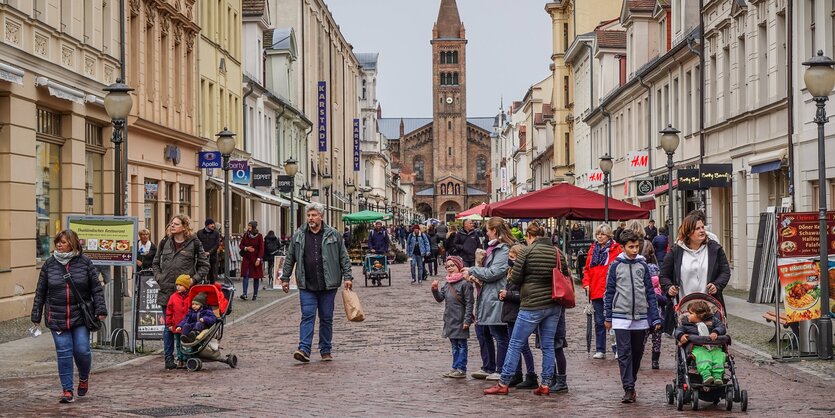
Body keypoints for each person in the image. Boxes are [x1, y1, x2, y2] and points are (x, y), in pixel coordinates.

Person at [483, 222, 563, 396]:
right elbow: (565, 274)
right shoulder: (557, 252)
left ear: (528, 236)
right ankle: (546, 383)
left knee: (515, 343)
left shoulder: (526, 251)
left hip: (532, 304)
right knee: (548, 345)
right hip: (553, 304)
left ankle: (503, 382)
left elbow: (516, 278)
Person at [30, 229, 107, 404]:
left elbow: (96, 288)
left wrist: (100, 310)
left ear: (72, 243)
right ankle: (67, 390)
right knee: (64, 353)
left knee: (82, 350)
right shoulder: (49, 264)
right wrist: (36, 315)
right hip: (56, 316)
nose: (59, 244)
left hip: (80, 316)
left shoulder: (85, 263)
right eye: (57, 241)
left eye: (63, 242)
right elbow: (40, 292)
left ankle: (84, 377)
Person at [280, 203, 353, 363]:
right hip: (307, 284)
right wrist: (285, 278)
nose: (311, 218)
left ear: (321, 216)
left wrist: (348, 277)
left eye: (314, 215)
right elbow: (290, 258)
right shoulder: (299, 235)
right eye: (309, 215)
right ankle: (304, 349)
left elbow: (344, 258)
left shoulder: (333, 235)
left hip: (328, 284)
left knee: (326, 318)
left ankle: (325, 350)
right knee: (307, 316)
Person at [603, 230, 662, 404]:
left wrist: (655, 317)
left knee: (637, 353)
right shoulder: (615, 266)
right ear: (622, 247)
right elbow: (609, 292)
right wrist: (608, 317)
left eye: (637, 246)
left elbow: (650, 292)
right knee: (624, 353)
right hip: (620, 315)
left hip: (641, 317)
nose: (635, 250)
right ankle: (628, 388)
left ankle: (631, 381)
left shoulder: (642, 266)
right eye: (631, 247)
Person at [153, 214, 210, 370]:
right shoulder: (165, 242)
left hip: (186, 295)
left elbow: (205, 266)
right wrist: (159, 277)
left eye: (176, 224)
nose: (172, 226)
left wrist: (193, 280)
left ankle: (185, 357)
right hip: (166, 292)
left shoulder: (194, 243)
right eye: (171, 223)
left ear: (184, 227)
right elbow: (155, 263)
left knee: (186, 325)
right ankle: (168, 359)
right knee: (168, 327)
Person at [463, 217, 513, 381]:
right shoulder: (494, 249)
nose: (486, 233)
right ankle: (492, 367)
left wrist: (473, 270)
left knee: (500, 335)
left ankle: (502, 369)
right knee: (490, 331)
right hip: (489, 295)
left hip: (497, 296)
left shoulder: (503, 250)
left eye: (488, 230)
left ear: (495, 231)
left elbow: (494, 273)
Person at [660, 213, 731, 310]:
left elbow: (725, 271)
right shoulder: (676, 251)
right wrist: (669, 288)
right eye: (697, 228)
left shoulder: (714, 249)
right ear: (688, 232)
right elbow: (664, 276)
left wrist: (717, 285)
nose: (702, 231)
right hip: (684, 307)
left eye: (702, 227)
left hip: (710, 307)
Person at [498, 244, 538, 390]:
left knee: (523, 346)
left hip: (518, 312)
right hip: (509, 311)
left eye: (512, 257)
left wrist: (508, 294)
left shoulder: (522, 273)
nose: (509, 259)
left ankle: (531, 375)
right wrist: (503, 294)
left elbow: (523, 295)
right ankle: (517, 373)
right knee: (513, 345)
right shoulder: (511, 271)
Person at [582, 224, 622, 359]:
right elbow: (587, 269)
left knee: (614, 320)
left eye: (602, 234)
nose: (599, 236)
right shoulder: (593, 250)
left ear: (609, 236)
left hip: (611, 290)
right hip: (596, 290)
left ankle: (617, 348)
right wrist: (586, 283)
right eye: (598, 234)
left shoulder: (616, 250)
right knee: (599, 321)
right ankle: (601, 349)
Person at [431, 255, 475, 379]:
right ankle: (455, 367)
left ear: (459, 266)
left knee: (461, 345)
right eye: (447, 266)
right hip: (450, 320)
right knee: (454, 346)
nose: (450, 268)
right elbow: (440, 298)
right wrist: (434, 290)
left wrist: (467, 320)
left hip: (460, 320)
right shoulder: (447, 284)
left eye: (452, 265)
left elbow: (469, 303)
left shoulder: (465, 284)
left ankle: (461, 368)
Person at [674, 300, 727, 385]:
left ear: (700, 315)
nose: (688, 315)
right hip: (697, 347)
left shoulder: (713, 321)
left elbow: (722, 327)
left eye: (691, 313)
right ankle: (706, 374)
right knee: (702, 355)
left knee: (719, 355)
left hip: (713, 346)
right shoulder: (686, 324)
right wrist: (681, 336)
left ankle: (717, 375)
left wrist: (715, 332)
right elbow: (678, 331)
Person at [642, 242, 667, 370]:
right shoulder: (653, 270)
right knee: (649, 340)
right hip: (651, 316)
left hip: (654, 316)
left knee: (653, 340)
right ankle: (651, 360)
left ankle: (654, 361)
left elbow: (665, 299)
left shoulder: (658, 288)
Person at [165, 274, 192, 368]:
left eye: (180, 285)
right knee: (178, 344)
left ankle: (187, 359)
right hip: (176, 325)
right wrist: (169, 323)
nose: (178, 287)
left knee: (187, 343)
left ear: (186, 286)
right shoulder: (173, 297)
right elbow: (169, 311)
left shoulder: (191, 297)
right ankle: (180, 359)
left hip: (187, 326)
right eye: (177, 285)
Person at [239, 221, 264, 301]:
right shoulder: (246, 235)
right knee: (245, 275)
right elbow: (241, 245)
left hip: (255, 258)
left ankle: (255, 294)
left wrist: (259, 259)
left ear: (253, 227)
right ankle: (244, 293)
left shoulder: (259, 236)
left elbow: (261, 248)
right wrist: (246, 248)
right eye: (248, 226)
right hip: (247, 258)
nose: (248, 227)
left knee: (256, 277)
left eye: (250, 226)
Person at [196, 219, 221, 283]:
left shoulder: (216, 233)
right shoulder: (199, 233)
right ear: (207, 225)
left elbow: (217, 244)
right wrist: (201, 252)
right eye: (211, 224)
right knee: (201, 272)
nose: (213, 225)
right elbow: (197, 243)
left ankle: (212, 288)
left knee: (212, 274)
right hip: (202, 257)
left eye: (213, 224)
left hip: (212, 257)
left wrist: (209, 252)